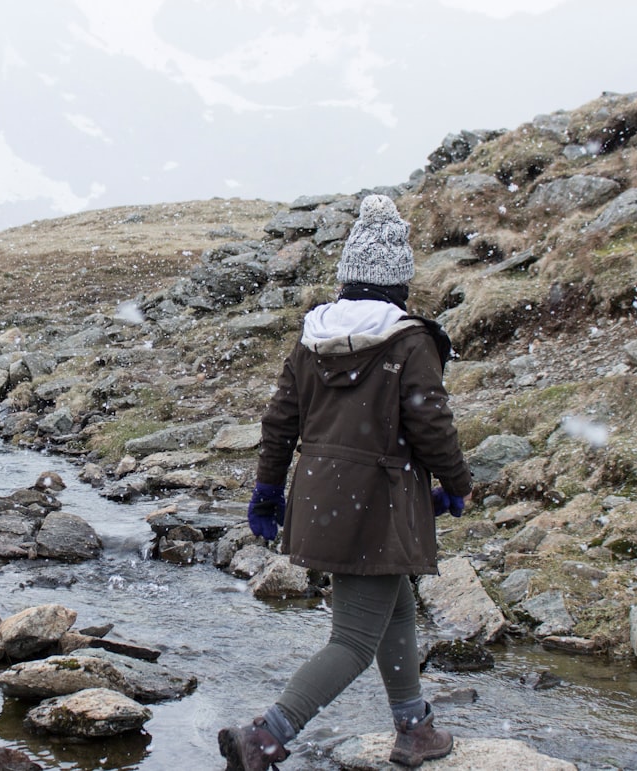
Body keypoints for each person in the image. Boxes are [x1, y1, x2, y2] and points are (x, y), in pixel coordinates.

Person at [217, 194, 472, 770]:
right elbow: (431, 423)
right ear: (400, 280)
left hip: (321, 499)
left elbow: (281, 420)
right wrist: (458, 482)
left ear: (348, 276)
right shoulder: (410, 341)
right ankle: (267, 735)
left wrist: (267, 490)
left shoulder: (313, 336)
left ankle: (415, 728)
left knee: (394, 602)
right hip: (378, 503)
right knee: (354, 640)